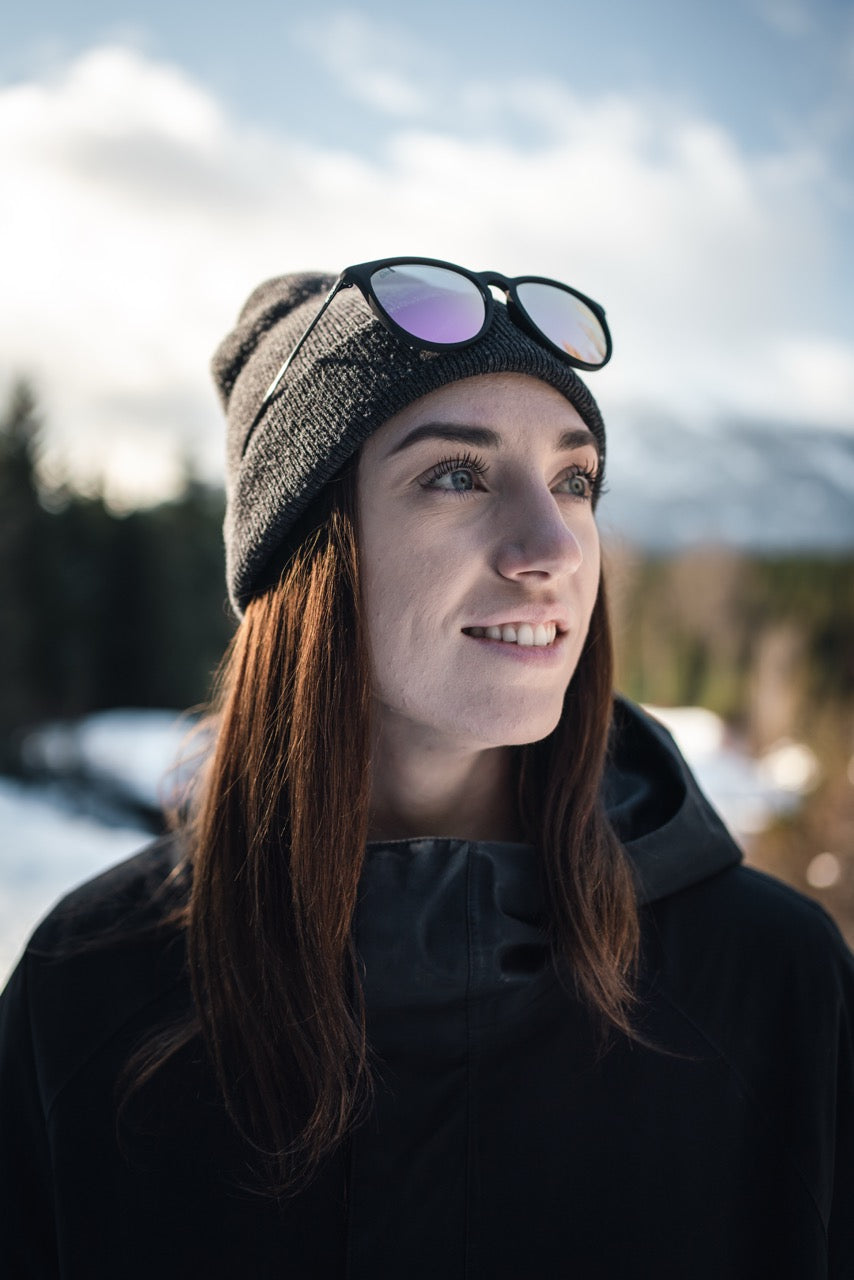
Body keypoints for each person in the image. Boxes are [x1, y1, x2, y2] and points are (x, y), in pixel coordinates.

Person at [0, 258, 851, 1279]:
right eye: (456, 474)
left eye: (574, 481)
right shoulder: (91, 987)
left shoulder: (773, 984)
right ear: (312, 556)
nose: (552, 546)